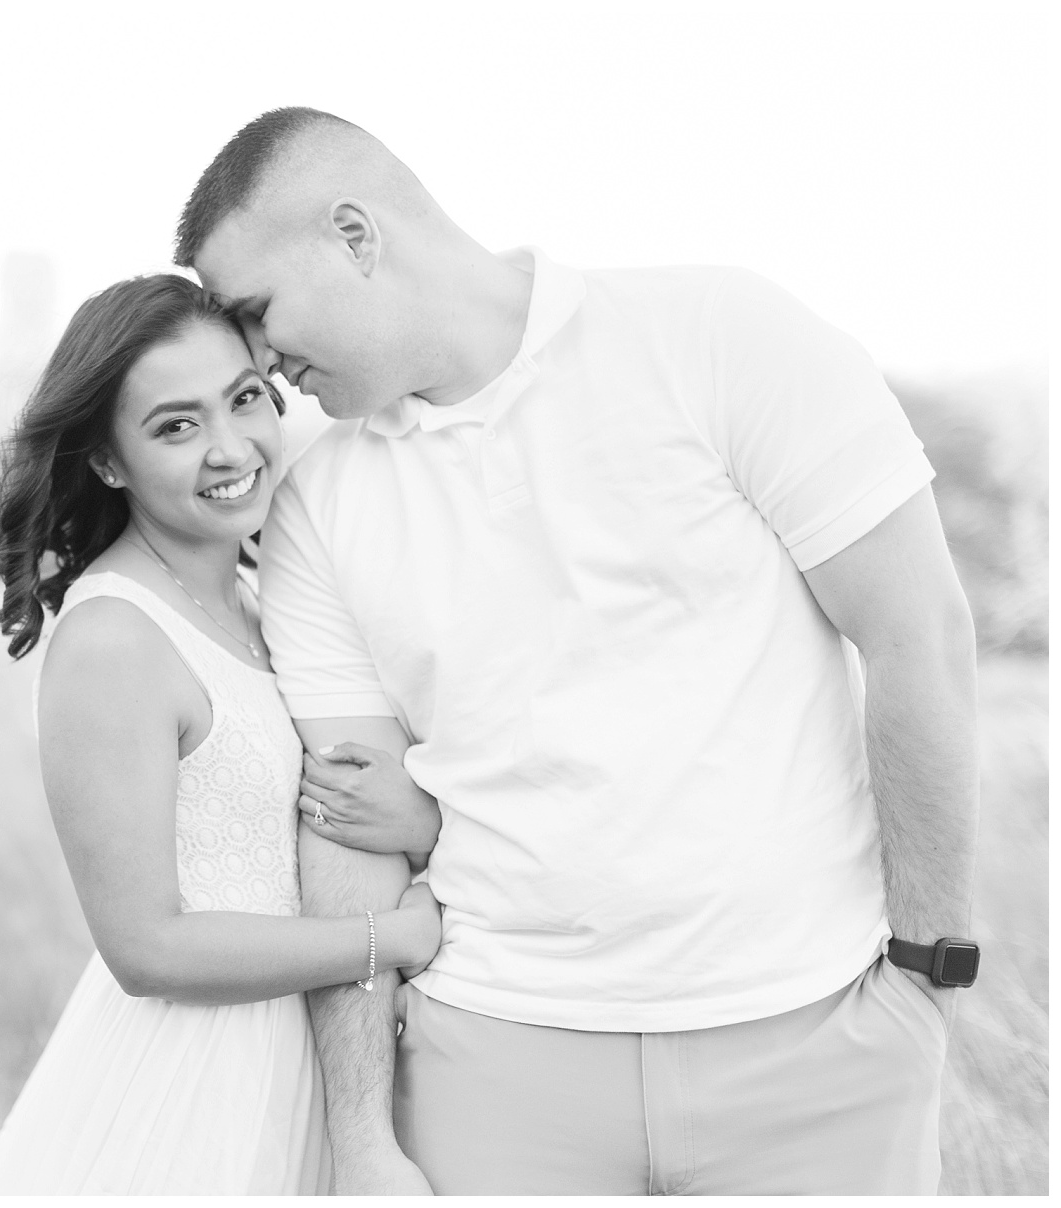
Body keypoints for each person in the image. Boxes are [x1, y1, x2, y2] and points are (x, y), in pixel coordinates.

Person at [175, 108, 980, 1195]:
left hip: (815, 1048)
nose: (262, 362)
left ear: (356, 234)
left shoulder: (723, 335)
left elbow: (918, 633)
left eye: (258, 312)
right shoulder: (315, 505)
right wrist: (363, 1136)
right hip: (495, 1065)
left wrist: (929, 968)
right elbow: (346, 819)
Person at [0, 273, 442, 1195]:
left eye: (244, 400)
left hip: (305, 1069)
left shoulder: (265, 601)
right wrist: (396, 936)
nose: (232, 448)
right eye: (176, 426)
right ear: (109, 462)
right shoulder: (115, 637)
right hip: (188, 1093)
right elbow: (146, 947)